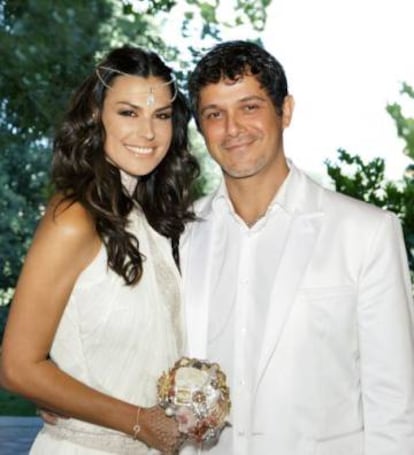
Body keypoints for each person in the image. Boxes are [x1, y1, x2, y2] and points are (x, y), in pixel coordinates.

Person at [180, 40, 414, 454]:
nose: (232, 128)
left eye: (249, 107)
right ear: (201, 128)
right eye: (215, 114)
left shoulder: (367, 232)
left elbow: (395, 399)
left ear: (285, 111)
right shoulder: (180, 234)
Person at [0, 45, 200, 454]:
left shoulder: (154, 220)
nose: (148, 133)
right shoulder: (74, 217)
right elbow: (17, 367)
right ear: (96, 117)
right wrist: (141, 423)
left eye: (161, 116)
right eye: (129, 113)